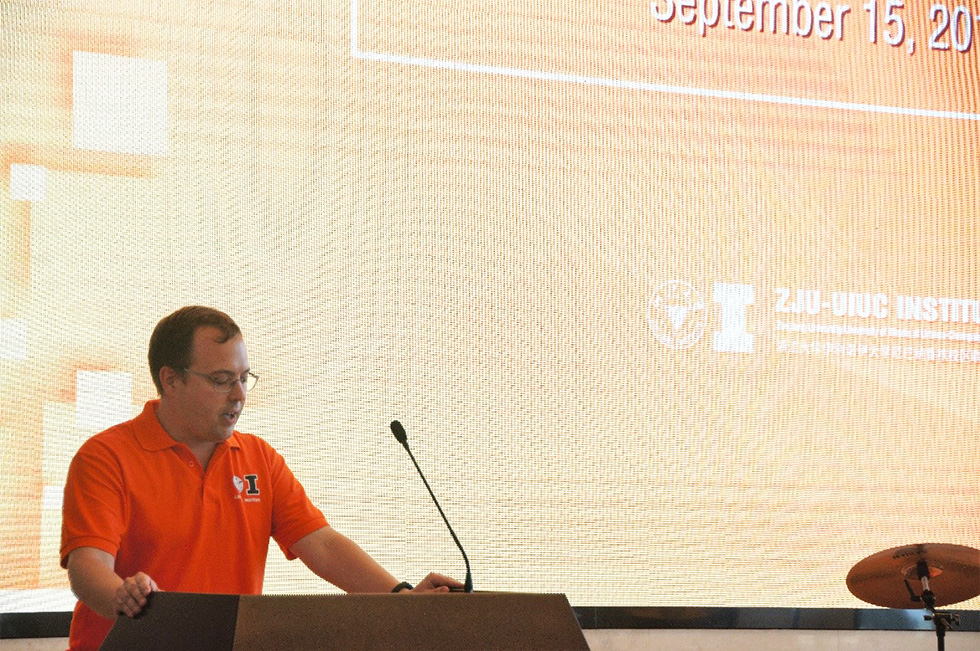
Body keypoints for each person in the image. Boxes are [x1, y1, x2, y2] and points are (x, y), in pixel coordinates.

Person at [60, 306, 462, 650]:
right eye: (221, 380)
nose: (239, 395)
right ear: (171, 380)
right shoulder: (106, 457)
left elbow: (321, 545)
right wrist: (123, 597)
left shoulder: (258, 459)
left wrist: (402, 598)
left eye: (244, 378)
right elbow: (87, 566)